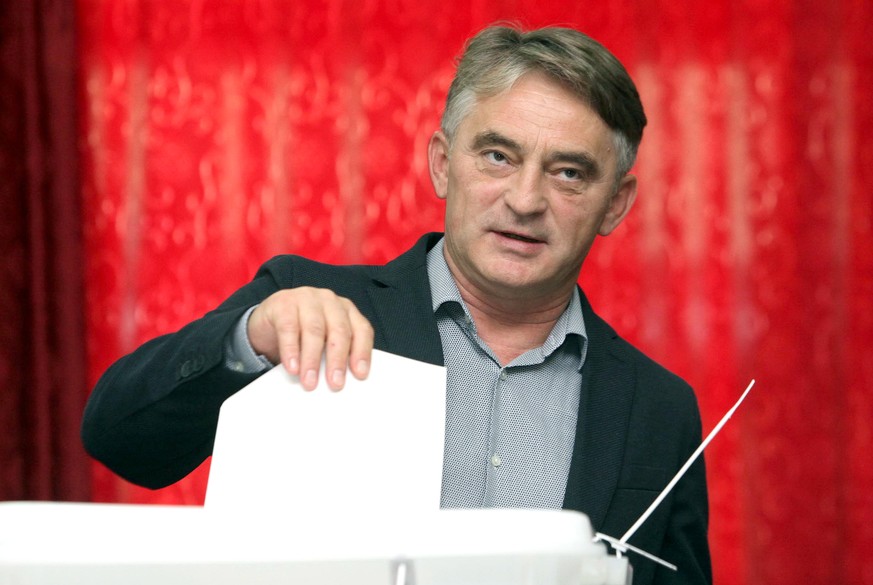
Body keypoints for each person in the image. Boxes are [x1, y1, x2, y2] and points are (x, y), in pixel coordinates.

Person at [81, 25, 711, 585]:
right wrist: (249, 338)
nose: (525, 198)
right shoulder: (301, 305)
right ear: (443, 165)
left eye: (568, 172)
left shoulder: (662, 410)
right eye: (498, 155)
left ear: (616, 204)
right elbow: (119, 440)